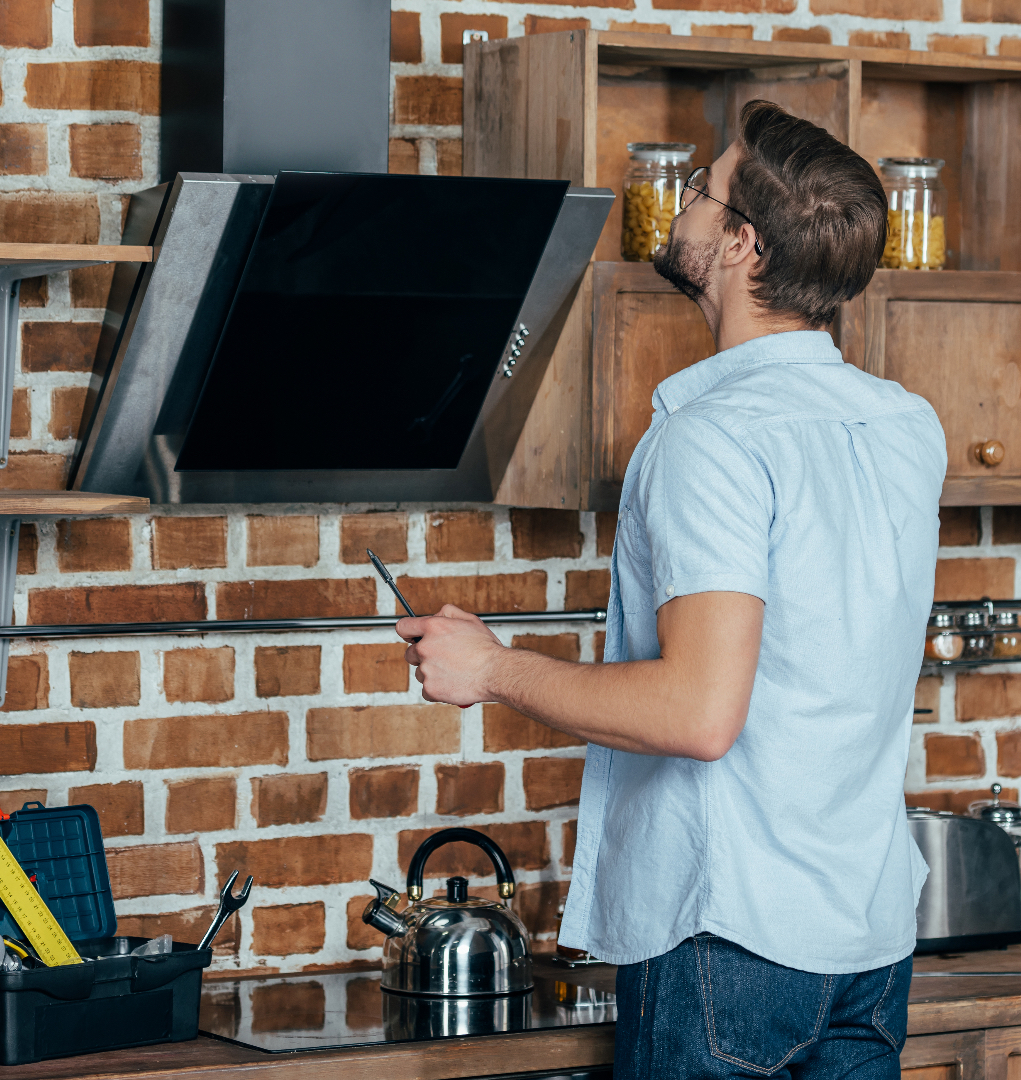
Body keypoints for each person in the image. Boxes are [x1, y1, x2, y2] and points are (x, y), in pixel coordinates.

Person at [399, 99, 947, 1079]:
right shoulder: (904, 426)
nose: (679, 207)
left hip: (728, 935)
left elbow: (697, 711)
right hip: (865, 934)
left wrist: (490, 666)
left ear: (740, 243)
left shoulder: (710, 439)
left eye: (699, 189)